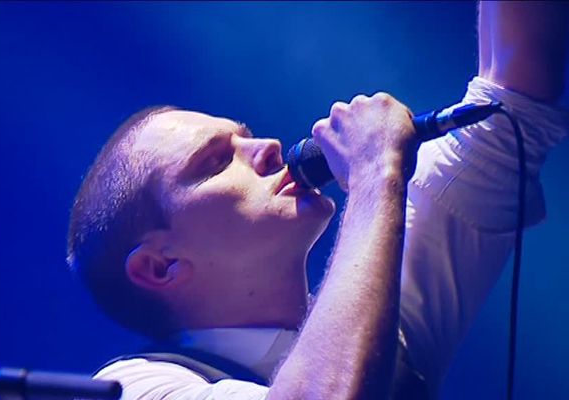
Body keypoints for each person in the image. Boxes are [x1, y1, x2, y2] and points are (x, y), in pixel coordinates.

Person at [66, 2, 569, 399]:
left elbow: (515, 94)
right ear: (160, 266)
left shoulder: (376, 320)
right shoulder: (137, 388)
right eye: (216, 162)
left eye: (245, 136)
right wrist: (375, 173)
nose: (265, 148)